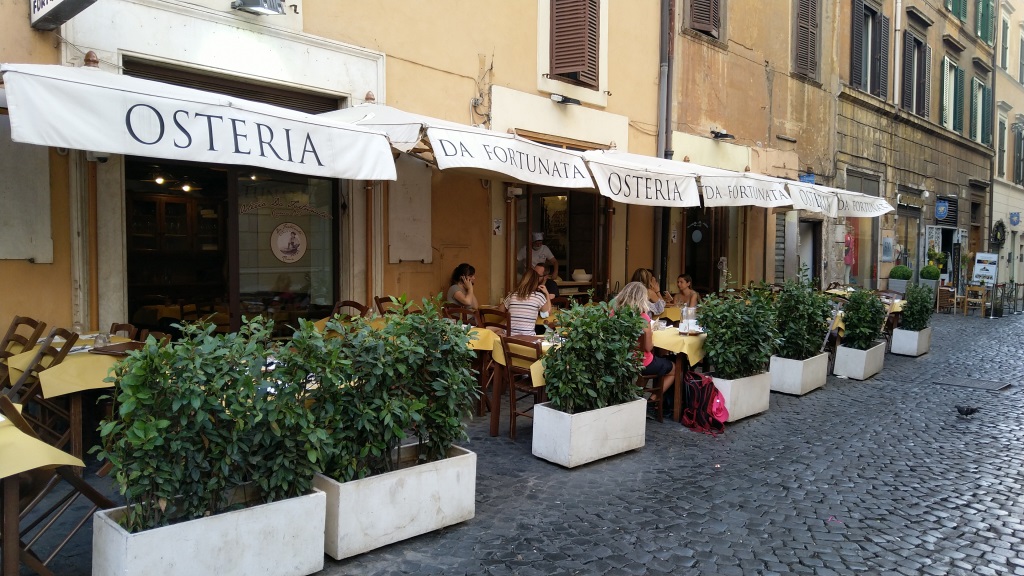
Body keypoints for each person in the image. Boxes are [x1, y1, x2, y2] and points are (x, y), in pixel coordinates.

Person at [613, 281, 675, 405]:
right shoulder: (642, 317)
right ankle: (651, 402)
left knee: (656, 362)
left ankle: (638, 396)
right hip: (640, 362)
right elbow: (648, 347)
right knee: (673, 367)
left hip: (619, 360)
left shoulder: (614, 314)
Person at [498, 268, 552, 336]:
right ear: (536, 282)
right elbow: (548, 312)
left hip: (509, 337)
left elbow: (500, 311)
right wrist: (547, 294)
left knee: (498, 330)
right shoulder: (538, 296)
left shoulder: (512, 294)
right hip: (527, 338)